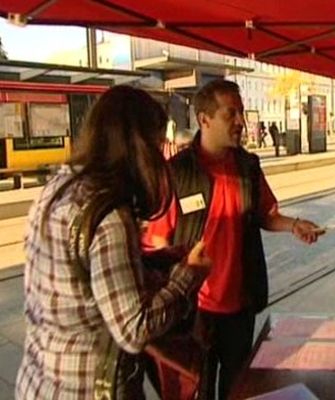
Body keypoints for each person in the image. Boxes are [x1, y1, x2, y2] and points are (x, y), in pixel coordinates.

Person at [15, 86, 211, 399]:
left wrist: (154, 260)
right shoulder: (109, 214)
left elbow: (80, 272)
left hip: (39, 381)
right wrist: (189, 275)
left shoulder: (61, 183)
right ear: (138, 145)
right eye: (157, 143)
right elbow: (134, 329)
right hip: (89, 388)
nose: (161, 154)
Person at [142, 79, 322, 400]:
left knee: (237, 389)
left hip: (240, 307)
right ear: (204, 119)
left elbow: (265, 214)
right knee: (197, 390)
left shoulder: (248, 166)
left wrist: (293, 225)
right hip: (193, 313)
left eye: (241, 113)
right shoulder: (176, 173)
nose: (241, 122)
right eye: (232, 114)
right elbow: (156, 244)